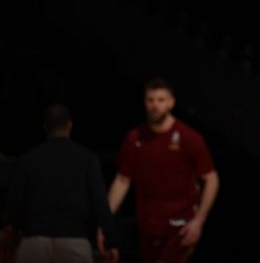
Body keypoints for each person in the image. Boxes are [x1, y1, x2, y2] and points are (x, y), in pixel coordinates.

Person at [107, 78, 219, 263]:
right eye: (150, 100)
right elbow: (122, 180)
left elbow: (212, 179)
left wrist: (199, 221)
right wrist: (106, 220)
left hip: (180, 223)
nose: (155, 105)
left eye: (160, 100)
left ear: (171, 103)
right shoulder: (134, 138)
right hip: (148, 224)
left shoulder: (188, 137)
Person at [4, 104, 118, 263]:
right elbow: (100, 203)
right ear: (70, 125)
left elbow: (14, 205)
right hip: (74, 241)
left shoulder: (27, 160)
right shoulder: (87, 159)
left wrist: (14, 228)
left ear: (45, 127)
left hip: (34, 242)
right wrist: (111, 241)